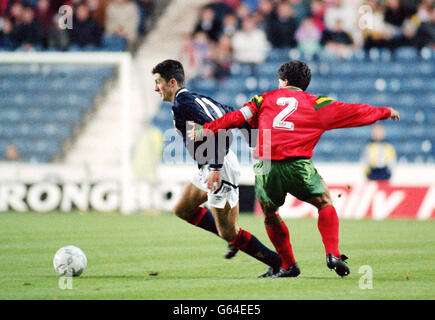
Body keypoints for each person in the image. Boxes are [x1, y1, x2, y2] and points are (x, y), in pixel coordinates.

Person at [188, 60, 400, 277]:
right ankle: (333, 253)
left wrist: (206, 129)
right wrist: (383, 112)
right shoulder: (318, 103)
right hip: (298, 165)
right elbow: (354, 112)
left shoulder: (264, 99)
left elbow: (237, 118)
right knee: (324, 202)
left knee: (270, 214)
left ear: (284, 81)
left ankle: (289, 265)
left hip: (266, 166)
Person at [151, 60, 282, 277]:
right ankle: (235, 241)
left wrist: (216, 167)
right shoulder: (198, 98)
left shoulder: (184, 105)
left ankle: (278, 262)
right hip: (210, 163)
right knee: (183, 209)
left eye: (158, 82)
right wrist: (253, 141)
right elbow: (233, 114)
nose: (156, 88)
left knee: (229, 231)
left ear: (171, 82)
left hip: (217, 165)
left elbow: (221, 133)